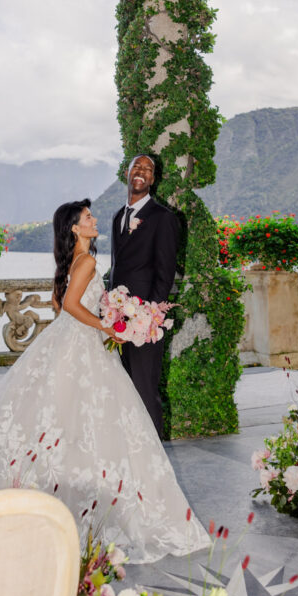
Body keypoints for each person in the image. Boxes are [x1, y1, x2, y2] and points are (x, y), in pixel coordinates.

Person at [0, 198, 210, 564]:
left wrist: (107, 314)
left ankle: (56, 492)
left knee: (60, 417)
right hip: (82, 343)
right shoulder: (88, 261)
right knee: (94, 418)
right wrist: (106, 324)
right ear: (75, 229)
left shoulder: (72, 262)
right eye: (88, 217)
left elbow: (60, 305)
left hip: (68, 341)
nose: (94, 219)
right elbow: (75, 305)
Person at [110, 154, 179, 437]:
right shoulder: (117, 217)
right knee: (123, 389)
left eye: (148, 169)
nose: (141, 172)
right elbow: (118, 269)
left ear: (153, 179)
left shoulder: (163, 218)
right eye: (137, 167)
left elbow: (165, 274)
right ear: (126, 173)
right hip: (116, 322)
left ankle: (155, 463)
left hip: (144, 324)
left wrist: (148, 317)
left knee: (145, 389)